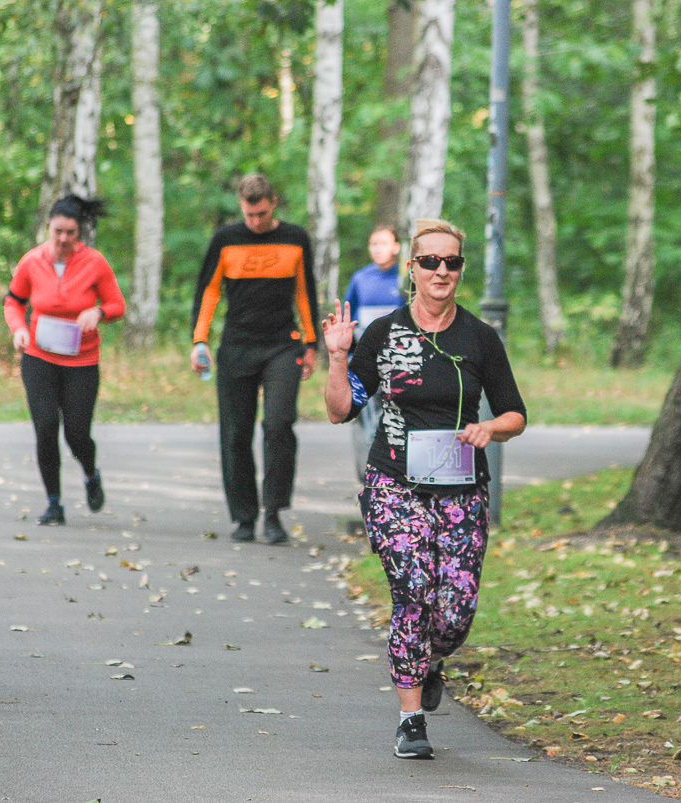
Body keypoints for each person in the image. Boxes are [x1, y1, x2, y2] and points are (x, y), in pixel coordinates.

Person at [322, 218, 527, 761]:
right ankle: (410, 719)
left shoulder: (480, 338)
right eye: (430, 261)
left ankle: (433, 658)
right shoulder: (385, 334)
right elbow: (342, 409)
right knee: (413, 589)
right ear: (411, 269)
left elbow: (516, 413)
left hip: (461, 490)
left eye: (451, 262)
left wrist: (491, 428)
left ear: (460, 270)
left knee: (454, 612)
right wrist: (339, 356)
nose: (441, 271)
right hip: (395, 484)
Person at [190, 174, 318, 545]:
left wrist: (312, 344)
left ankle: (274, 512)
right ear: (240, 207)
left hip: (282, 344)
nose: (256, 222)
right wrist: (199, 341)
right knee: (235, 434)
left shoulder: (295, 239)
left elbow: (305, 292)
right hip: (237, 346)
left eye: (261, 214)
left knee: (278, 425)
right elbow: (209, 291)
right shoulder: (226, 240)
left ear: (273, 203)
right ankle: (244, 517)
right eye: (249, 215)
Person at [4, 194, 124, 526]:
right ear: (48, 227)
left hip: (81, 362)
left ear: (79, 234)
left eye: (71, 233)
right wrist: (18, 329)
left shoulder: (94, 263)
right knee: (45, 428)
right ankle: (54, 503)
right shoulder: (31, 262)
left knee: (76, 434)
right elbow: (13, 301)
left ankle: (90, 472)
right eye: (58, 231)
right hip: (38, 358)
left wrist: (97, 311)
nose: (63, 239)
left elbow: (117, 305)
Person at [342, 224, 406, 480]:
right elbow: (349, 317)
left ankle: (395, 471)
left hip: (397, 362)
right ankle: (368, 473)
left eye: (383, 243)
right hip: (365, 361)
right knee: (364, 417)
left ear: (397, 247)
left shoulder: (404, 280)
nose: (377, 249)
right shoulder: (360, 279)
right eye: (373, 244)